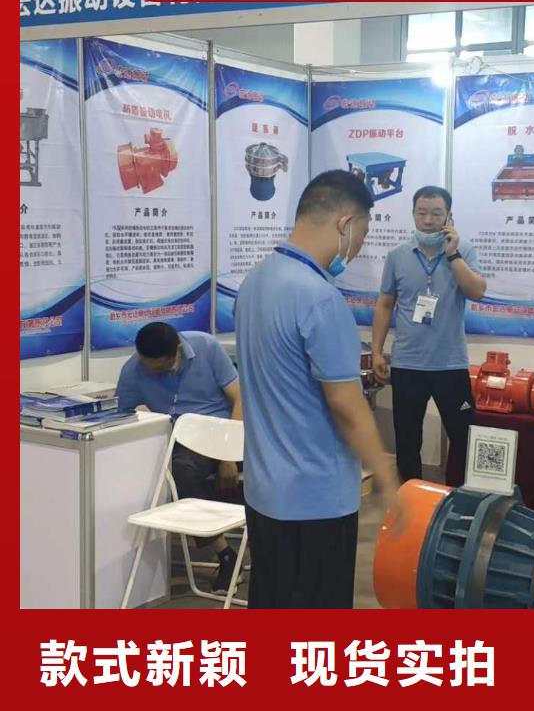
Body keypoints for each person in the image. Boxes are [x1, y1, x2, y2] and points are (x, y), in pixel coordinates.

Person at [235, 169, 400, 609]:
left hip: (264, 492)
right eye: (363, 234)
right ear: (346, 223)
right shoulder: (320, 298)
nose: (359, 247)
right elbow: (346, 405)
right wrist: (385, 475)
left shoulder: (255, 280)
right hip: (316, 501)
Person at [371, 186, 486, 486]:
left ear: (449, 216)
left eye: (436, 213)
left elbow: (477, 291)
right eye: (422, 213)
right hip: (408, 364)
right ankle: (412, 502)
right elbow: (385, 304)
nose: (428, 220)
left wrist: (453, 255)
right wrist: (377, 351)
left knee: (465, 437)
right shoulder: (398, 255)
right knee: (407, 442)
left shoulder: (464, 251)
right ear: (413, 214)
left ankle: (467, 502)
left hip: (450, 364)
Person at [116, 322, 243, 593]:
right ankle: (225, 552)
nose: (152, 372)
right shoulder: (133, 370)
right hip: (182, 442)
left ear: (176, 352)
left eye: (159, 368)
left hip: (224, 433)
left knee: (183, 472)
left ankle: (238, 551)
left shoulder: (206, 347)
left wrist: (228, 454)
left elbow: (239, 399)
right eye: (147, 366)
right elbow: (121, 418)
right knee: (171, 470)